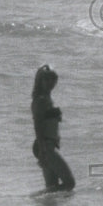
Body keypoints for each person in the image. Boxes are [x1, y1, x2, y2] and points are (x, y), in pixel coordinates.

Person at [31, 64, 75, 192]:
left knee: (52, 188)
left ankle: (43, 205)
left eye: (53, 79)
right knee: (69, 183)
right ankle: (33, 197)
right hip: (45, 146)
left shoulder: (47, 98)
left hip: (48, 145)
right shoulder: (40, 100)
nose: (51, 82)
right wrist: (43, 150)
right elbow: (37, 126)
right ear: (40, 81)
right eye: (46, 79)